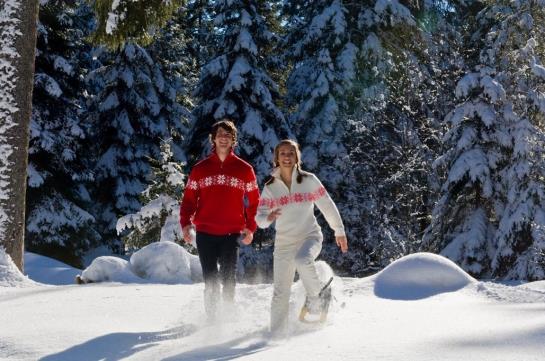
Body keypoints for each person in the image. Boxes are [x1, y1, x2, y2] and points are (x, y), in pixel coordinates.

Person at [256, 139, 348, 335]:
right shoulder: (270, 187)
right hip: (283, 244)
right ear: (276, 158)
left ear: (297, 157)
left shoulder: (309, 180)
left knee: (302, 259)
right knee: (280, 293)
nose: (287, 157)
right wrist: (268, 218)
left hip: (310, 236)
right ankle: (276, 335)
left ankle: (318, 296)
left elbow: (327, 204)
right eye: (283, 154)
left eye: (291, 153)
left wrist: (338, 230)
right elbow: (259, 218)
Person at [180, 119, 259, 320]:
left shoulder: (244, 169)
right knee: (211, 280)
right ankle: (213, 321)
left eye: (228, 135)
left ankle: (228, 318)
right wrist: (186, 224)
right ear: (213, 139)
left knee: (229, 279)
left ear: (233, 140)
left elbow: (254, 201)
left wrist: (250, 227)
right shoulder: (200, 169)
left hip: (231, 234)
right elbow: (188, 200)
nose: (223, 139)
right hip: (205, 233)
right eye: (220, 135)